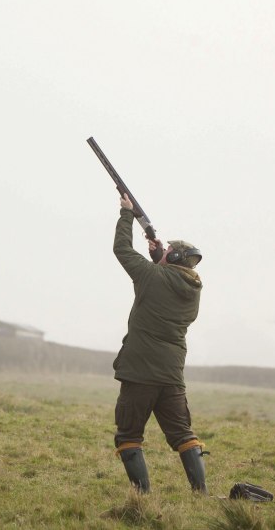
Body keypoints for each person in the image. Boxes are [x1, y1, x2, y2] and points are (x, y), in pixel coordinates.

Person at [111, 193, 207, 494]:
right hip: (171, 375)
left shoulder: (152, 277)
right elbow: (166, 282)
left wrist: (126, 214)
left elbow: (122, 249)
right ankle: (200, 493)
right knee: (182, 433)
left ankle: (141, 497)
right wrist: (158, 257)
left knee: (128, 434)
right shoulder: (192, 290)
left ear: (174, 258)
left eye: (167, 251)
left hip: (141, 371)